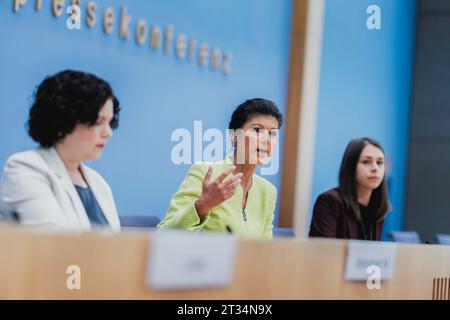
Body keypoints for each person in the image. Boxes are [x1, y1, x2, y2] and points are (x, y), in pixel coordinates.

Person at [0, 70, 121, 231]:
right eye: (98, 121)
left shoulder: (98, 183)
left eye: (110, 122)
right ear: (64, 121)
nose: (108, 132)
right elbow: (53, 245)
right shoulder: (26, 168)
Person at [158, 98, 283, 238]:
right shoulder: (206, 172)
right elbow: (163, 233)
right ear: (234, 136)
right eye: (257, 130)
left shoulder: (268, 191)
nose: (266, 139)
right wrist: (203, 205)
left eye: (272, 133)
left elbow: (263, 251)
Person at [309, 137, 390, 241]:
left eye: (380, 162)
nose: (375, 168)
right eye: (366, 162)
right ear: (351, 166)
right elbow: (323, 253)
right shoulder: (329, 201)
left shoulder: (377, 205)